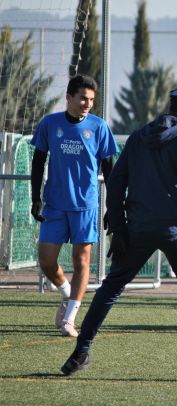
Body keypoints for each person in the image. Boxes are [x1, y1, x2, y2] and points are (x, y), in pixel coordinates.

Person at [60, 87, 177, 382]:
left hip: (138, 227)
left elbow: (116, 182)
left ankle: (80, 351)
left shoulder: (137, 137)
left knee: (111, 288)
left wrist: (120, 228)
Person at [30, 74, 118, 337]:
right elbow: (37, 163)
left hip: (86, 205)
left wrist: (113, 207)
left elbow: (110, 170)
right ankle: (67, 295)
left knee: (82, 261)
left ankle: (70, 319)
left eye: (91, 99)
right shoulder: (50, 124)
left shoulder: (99, 127)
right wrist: (36, 198)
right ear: (69, 97)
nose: (87, 103)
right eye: (83, 98)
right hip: (55, 204)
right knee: (46, 261)